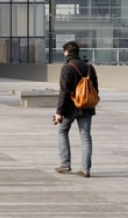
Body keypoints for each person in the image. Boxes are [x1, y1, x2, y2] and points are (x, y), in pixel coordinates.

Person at [54, 41, 99, 178]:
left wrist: (59, 112)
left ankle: (65, 164)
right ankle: (85, 169)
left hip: (70, 108)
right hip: (86, 106)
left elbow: (64, 92)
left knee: (62, 131)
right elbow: (95, 89)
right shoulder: (89, 67)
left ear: (66, 52)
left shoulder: (67, 67)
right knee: (85, 137)